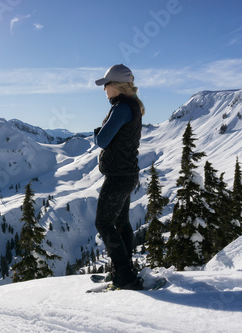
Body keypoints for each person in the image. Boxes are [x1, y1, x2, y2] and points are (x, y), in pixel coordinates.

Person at [93, 64, 145, 290]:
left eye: (106, 85)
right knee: (121, 223)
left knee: (103, 223)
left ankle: (124, 276)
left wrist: (97, 132)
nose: (104, 89)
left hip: (118, 176)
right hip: (128, 174)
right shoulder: (130, 105)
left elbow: (103, 140)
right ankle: (125, 271)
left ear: (115, 86)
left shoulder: (121, 108)